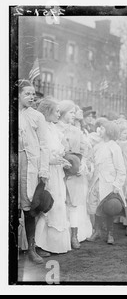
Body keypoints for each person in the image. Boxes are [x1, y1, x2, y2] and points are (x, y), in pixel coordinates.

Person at [18, 80, 50, 263]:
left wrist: (43, 169)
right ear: (18, 95)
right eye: (27, 93)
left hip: (31, 165)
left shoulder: (37, 116)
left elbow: (44, 145)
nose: (31, 97)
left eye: (33, 94)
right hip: (15, 164)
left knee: (30, 207)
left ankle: (31, 248)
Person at [35, 98, 72, 254]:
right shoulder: (40, 128)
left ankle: (56, 244)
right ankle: (40, 244)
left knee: (58, 204)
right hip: (47, 172)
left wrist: (62, 161)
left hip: (57, 172)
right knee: (48, 205)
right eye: (56, 111)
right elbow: (39, 153)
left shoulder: (54, 129)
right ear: (47, 112)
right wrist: (52, 160)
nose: (59, 114)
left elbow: (58, 150)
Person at [56, 100, 93, 248]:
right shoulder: (54, 128)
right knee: (58, 203)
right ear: (63, 112)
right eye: (71, 112)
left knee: (74, 204)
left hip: (75, 172)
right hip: (59, 170)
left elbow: (86, 149)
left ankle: (74, 236)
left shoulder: (77, 130)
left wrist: (83, 164)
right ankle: (59, 238)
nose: (74, 115)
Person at [87, 120, 127, 244]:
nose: (100, 130)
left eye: (103, 129)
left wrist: (117, 184)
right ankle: (97, 231)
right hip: (96, 181)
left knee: (108, 207)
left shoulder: (114, 147)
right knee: (94, 206)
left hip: (109, 183)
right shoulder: (97, 146)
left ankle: (110, 233)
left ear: (109, 131)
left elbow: (121, 169)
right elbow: (92, 161)